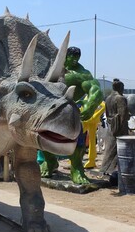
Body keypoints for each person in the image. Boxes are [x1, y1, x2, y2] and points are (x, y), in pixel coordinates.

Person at [40, 46, 103, 184]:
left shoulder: (81, 73)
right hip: (49, 109)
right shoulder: (51, 67)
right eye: (72, 57)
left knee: (77, 138)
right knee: (41, 136)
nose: (74, 60)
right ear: (65, 56)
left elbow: (96, 90)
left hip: (71, 109)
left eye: (77, 58)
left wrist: (90, 105)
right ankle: (50, 161)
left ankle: (76, 168)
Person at [100, 78, 129, 175]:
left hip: (111, 126)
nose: (123, 89)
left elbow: (107, 114)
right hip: (120, 128)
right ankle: (110, 170)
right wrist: (120, 128)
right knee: (118, 150)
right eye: (123, 87)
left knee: (109, 149)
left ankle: (104, 169)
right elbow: (123, 115)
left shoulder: (108, 98)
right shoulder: (121, 98)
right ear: (120, 87)